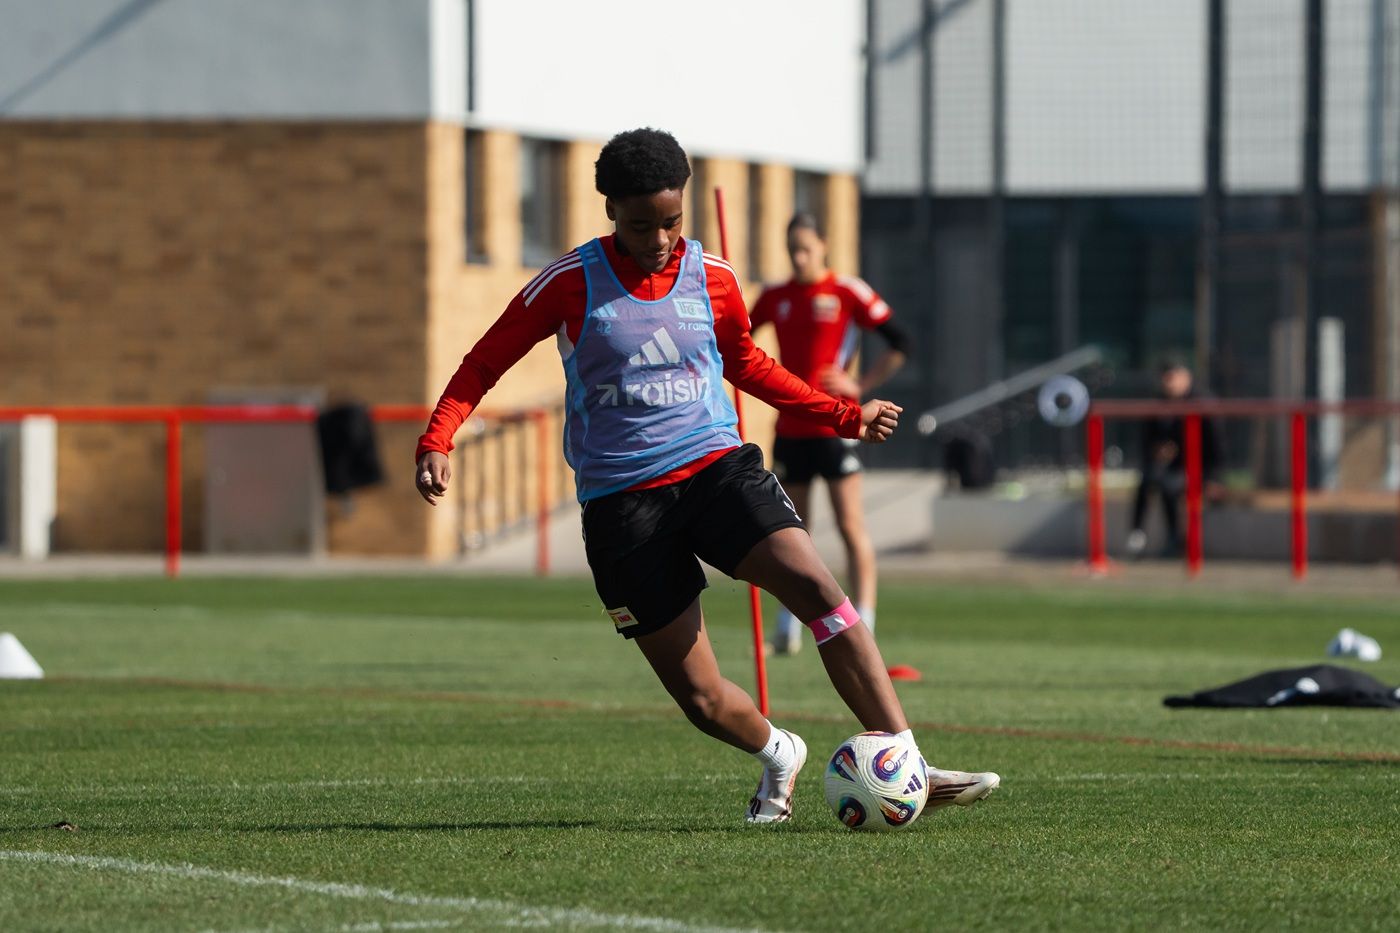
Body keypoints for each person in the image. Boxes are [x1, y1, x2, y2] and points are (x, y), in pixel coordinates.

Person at [415, 128, 998, 824]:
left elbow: (748, 364)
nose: (660, 237)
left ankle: (907, 758)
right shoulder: (569, 281)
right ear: (611, 212)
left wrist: (843, 415)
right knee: (700, 698)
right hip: (622, 503)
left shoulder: (713, 276)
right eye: (641, 224)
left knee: (817, 585)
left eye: (672, 220)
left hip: (718, 469)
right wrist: (439, 435)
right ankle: (778, 752)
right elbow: (485, 359)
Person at [749, 213, 911, 657]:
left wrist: (860, 388)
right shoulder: (777, 296)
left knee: (849, 525)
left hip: (837, 425)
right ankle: (789, 626)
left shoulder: (846, 291)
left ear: (823, 244)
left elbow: (900, 342)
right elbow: (737, 340)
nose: (799, 257)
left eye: (805, 247)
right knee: (793, 534)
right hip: (790, 427)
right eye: (792, 249)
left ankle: (866, 622)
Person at [1126, 359, 1223, 558]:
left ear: (1186, 377)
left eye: (1173, 377)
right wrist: (1159, 450)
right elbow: (1149, 440)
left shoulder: (1202, 401)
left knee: (1170, 486)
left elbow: (1217, 444)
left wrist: (1215, 477)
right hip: (1172, 466)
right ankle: (1137, 535)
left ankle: (1176, 541)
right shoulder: (1159, 403)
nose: (1169, 383)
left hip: (1200, 467)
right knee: (1147, 481)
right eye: (1166, 378)